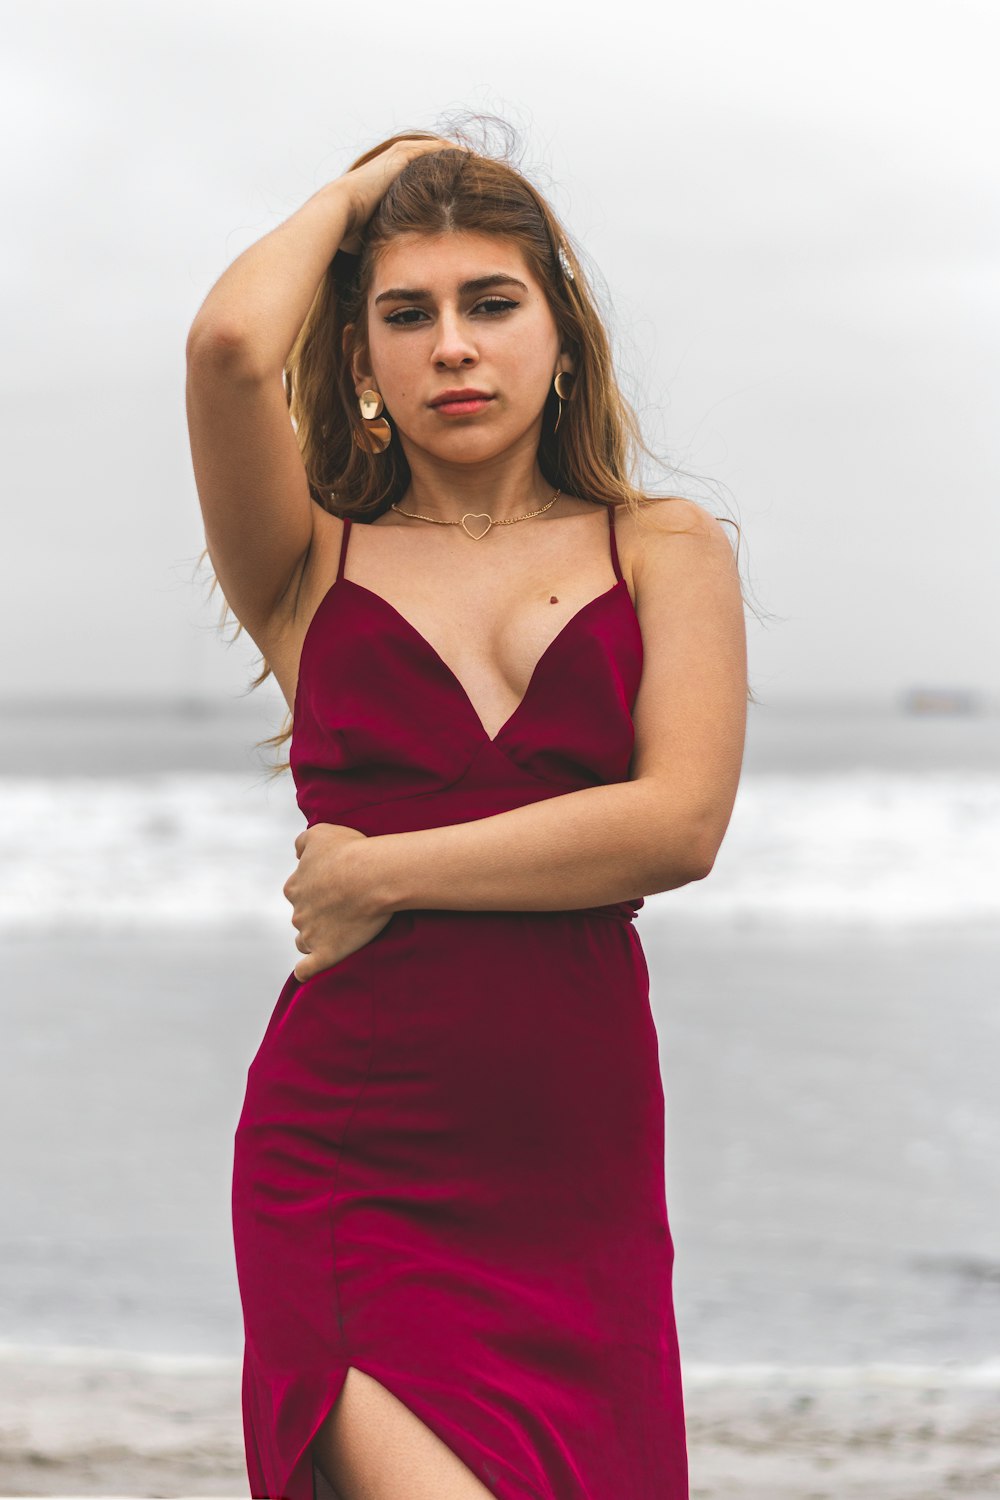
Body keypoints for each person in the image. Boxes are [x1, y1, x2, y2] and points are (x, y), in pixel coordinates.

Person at [185, 126, 747, 1500]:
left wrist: (384, 872)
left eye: (492, 303)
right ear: (362, 356)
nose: (452, 345)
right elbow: (225, 352)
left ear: (560, 330)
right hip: (351, 1161)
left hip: (579, 1167)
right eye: (406, 313)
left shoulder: (662, 546)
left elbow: (676, 824)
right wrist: (365, 186)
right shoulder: (310, 558)